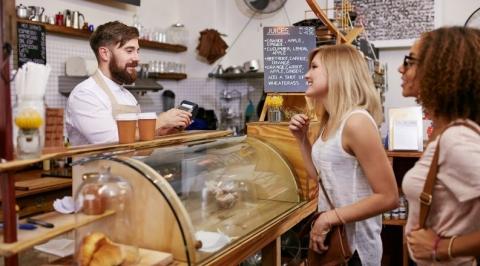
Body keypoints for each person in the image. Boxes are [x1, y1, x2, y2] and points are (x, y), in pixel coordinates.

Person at [289, 45, 399, 265]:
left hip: (355, 250)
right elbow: (317, 175)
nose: (306, 74)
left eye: (314, 67)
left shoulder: (356, 122)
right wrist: (302, 139)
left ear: (337, 71)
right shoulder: (329, 120)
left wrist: (329, 218)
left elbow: (389, 197)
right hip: (334, 241)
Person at [399, 27, 480, 265]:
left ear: (439, 69)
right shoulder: (447, 133)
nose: (401, 69)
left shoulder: (457, 140)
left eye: (409, 61)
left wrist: (443, 248)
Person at [66, 21, 191, 146]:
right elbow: (110, 140)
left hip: (130, 165)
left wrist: (162, 131)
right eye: (129, 51)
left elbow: (137, 136)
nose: (137, 58)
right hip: (98, 166)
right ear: (105, 53)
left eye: (137, 51)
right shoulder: (85, 94)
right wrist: (161, 121)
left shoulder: (128, 96)